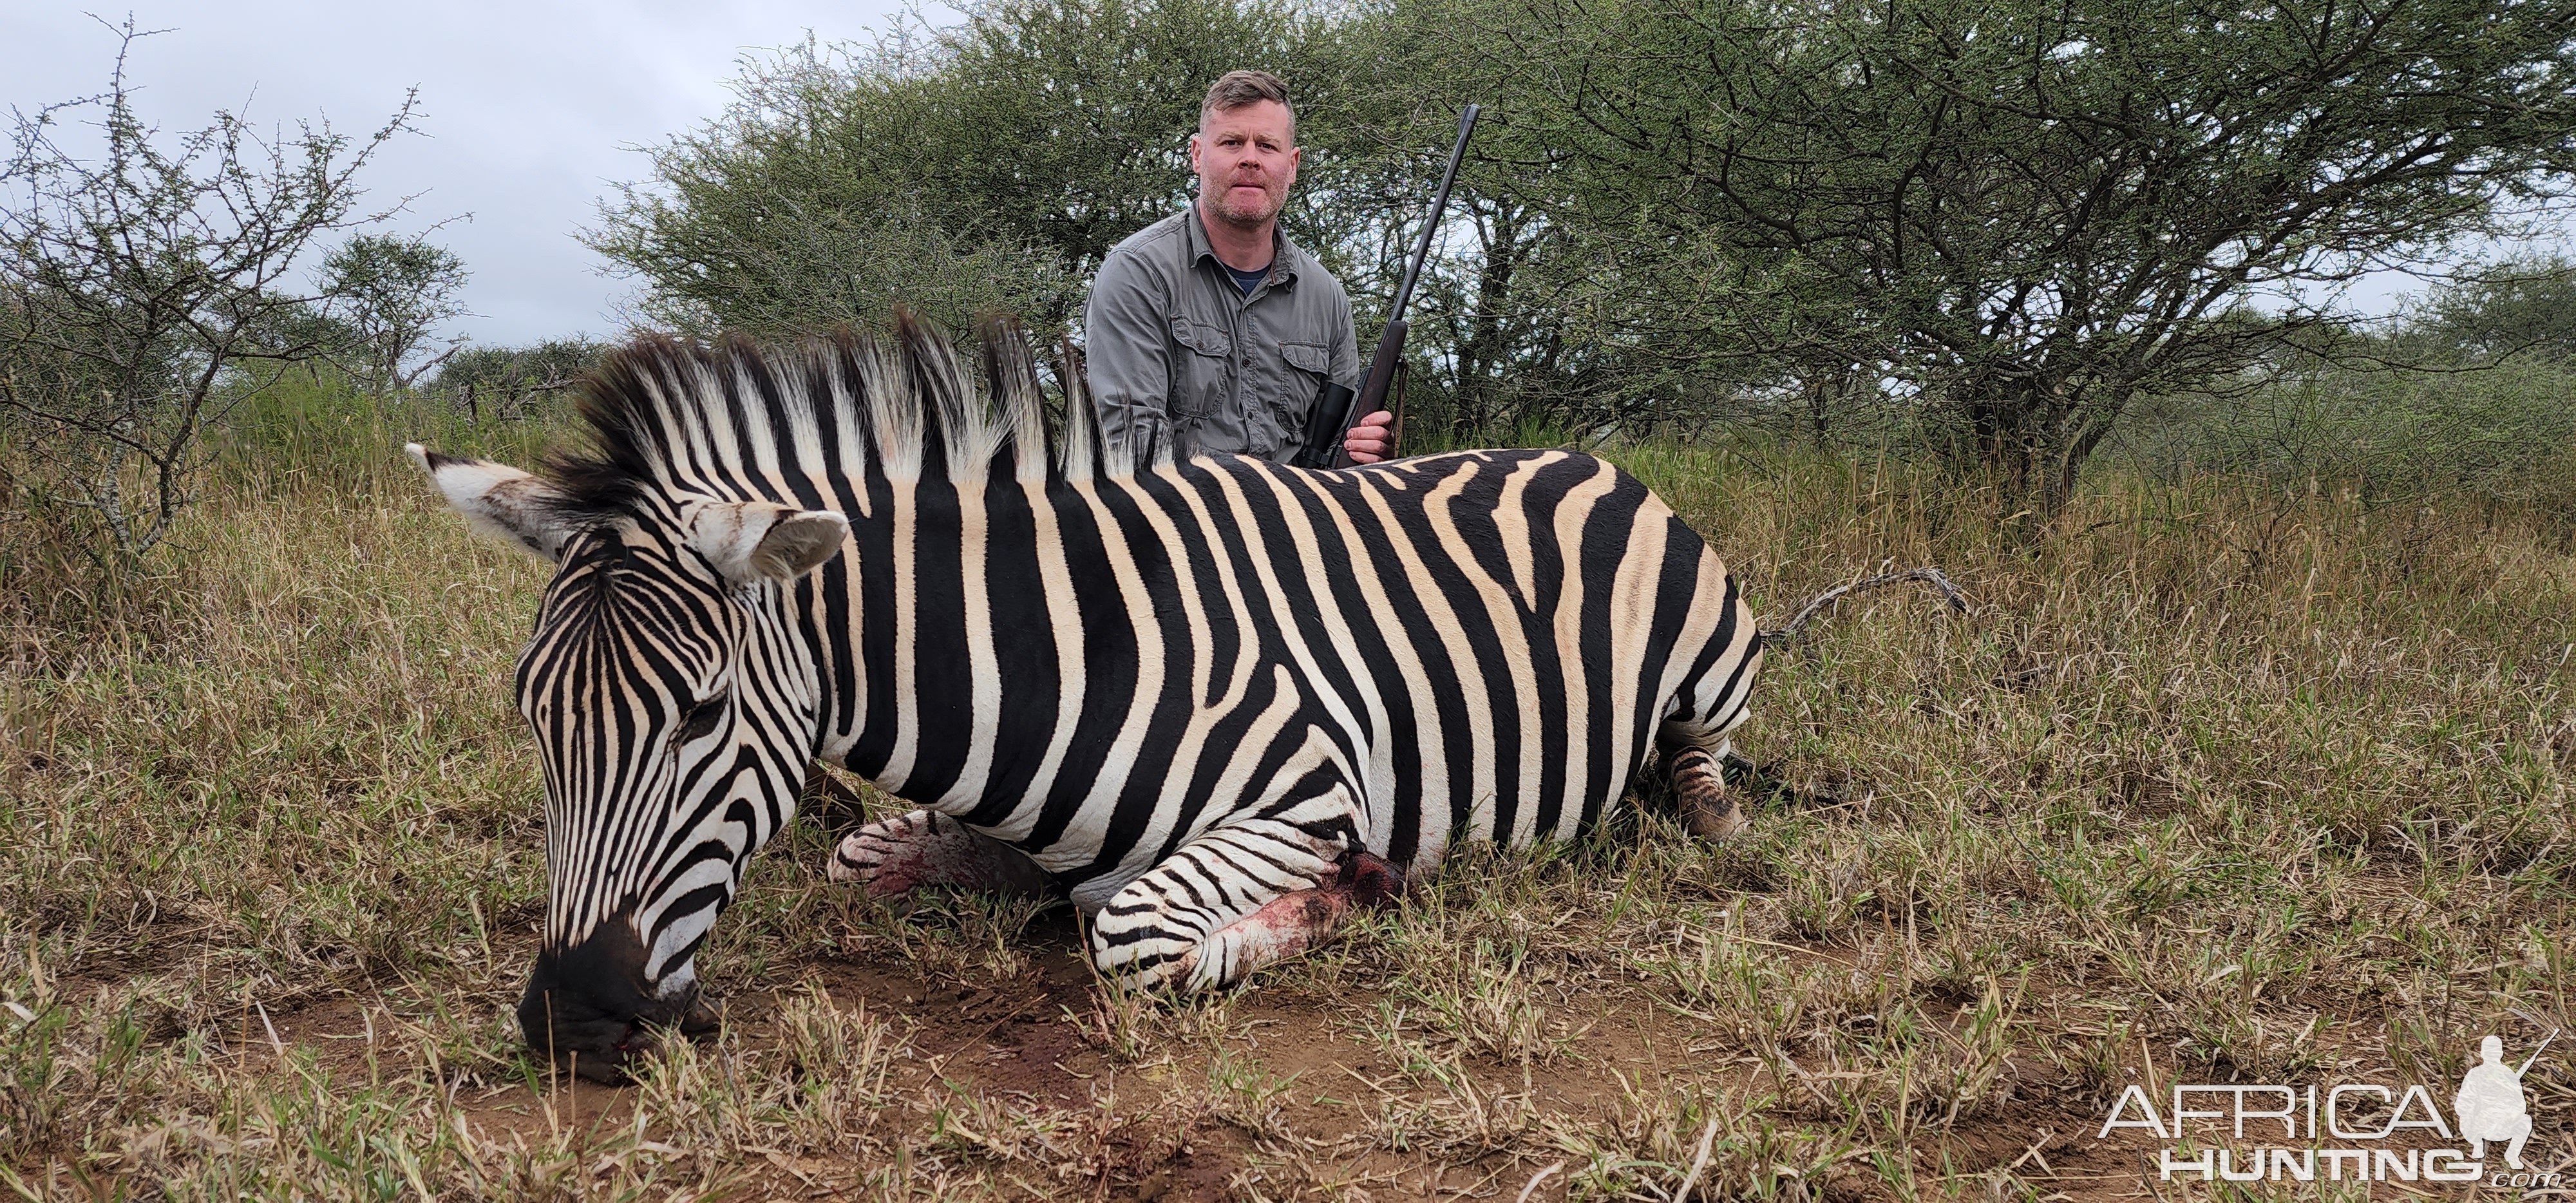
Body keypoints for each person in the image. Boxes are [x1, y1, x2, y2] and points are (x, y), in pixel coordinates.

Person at [1084, 70, 1394, 465]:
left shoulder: (1328, 298)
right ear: (1198, 155)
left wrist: (1365, 449)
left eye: (1267, 146)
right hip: (1179, 520)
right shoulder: (1137, 274)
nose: (1250, 158)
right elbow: (1135, 447)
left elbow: (1337, 455)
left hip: (1299, 522)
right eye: (1232, 142)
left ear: (1292, 164)